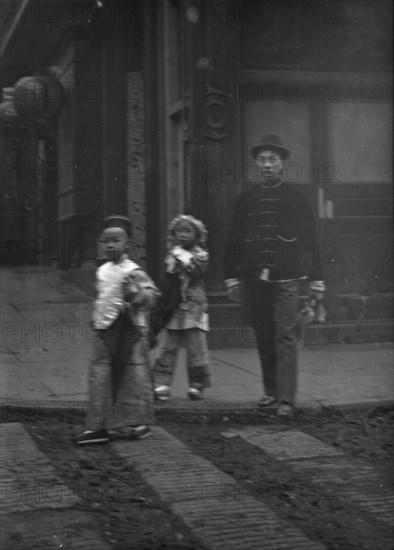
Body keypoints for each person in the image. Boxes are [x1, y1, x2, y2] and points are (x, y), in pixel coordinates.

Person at [224, 135, 326, 419]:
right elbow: (233, 239)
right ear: (256, 164)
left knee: (286, 335)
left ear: (282, 164)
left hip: (287, 277)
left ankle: (287, 399)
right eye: (262, 160)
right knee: (264, 334)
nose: (267, 165)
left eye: (273, 160)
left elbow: (311, 239)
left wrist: (317, 279)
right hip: (254, 278)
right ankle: (271, 392)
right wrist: (231, 277)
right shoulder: (246, 199)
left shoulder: (295, 198)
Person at [75, 215, 160, 444]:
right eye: (106, 241)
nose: (110, 245)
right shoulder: (102, 271)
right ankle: (97, 427)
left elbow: (151, 295)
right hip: (105, 330)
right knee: (100, 375)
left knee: (131, 376)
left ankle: (134, 421)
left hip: (128, 331)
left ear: (129, 246)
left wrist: (137, 296)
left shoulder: (133, 271)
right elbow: (101, 296)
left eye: (116, 240)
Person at [152, 215, 211, 402]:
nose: (183, 235)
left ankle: (197, 384)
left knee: (196, 346)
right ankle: (161, 383)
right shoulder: (172, 253)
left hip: (195, 305)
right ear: (174, 234)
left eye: (188, 231)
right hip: (175, 305)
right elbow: (169, 278)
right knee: (169, 345)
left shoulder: (201, 255)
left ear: (197, 234)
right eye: (180, 231)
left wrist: (182, 257)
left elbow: (196, 272)